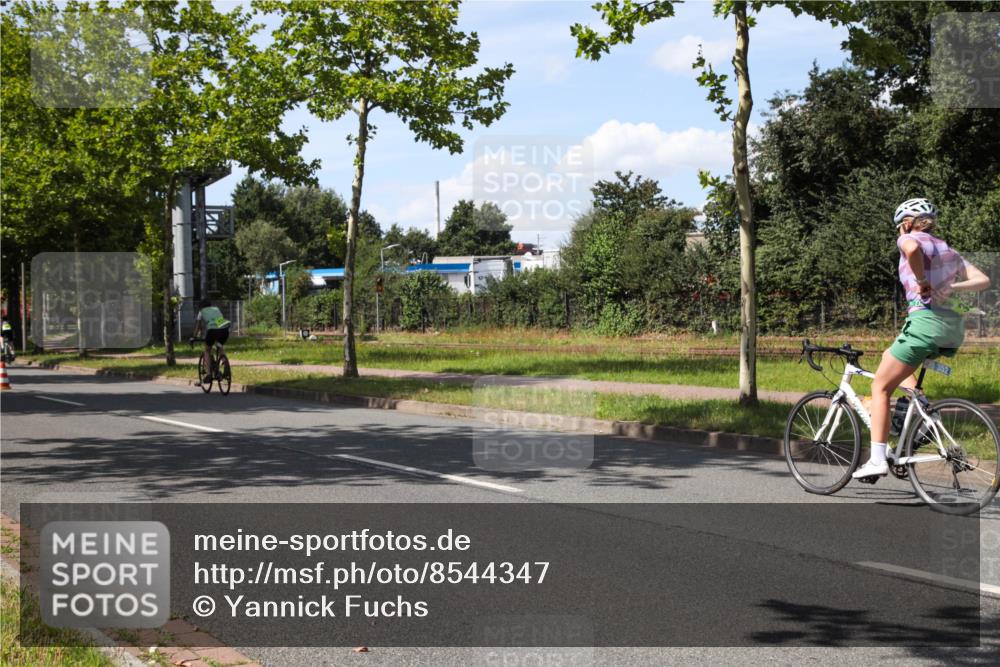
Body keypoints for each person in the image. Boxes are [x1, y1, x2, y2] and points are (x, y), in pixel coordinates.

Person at [853, 198, 991, 479]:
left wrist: (922, 280)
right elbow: (983, 279)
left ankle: (877, 459)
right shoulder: (948, 250)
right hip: (951, 328)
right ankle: (926, 414)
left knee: (880, 387)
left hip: (925, 323)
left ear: (905, 223)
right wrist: (952, 286)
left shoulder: (908, 238)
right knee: (889, 358)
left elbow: (912, 248)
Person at [192, 299, 230, 385]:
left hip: (212, 330)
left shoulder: (201, 312)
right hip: (224, 329)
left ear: (201, 307)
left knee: (207, 349)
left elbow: (198, 326)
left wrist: (193, 337)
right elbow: (219, 321)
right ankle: (225, 363)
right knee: (219, 346)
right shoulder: (216, 309)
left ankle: (208, 374)